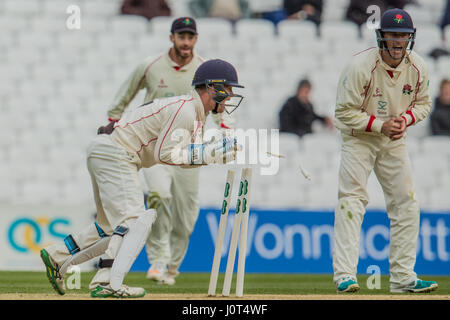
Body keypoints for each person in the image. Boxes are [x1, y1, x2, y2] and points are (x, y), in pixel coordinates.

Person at [39, 59, 245, 298]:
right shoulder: (186, 111)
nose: (230, 96)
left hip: (107, 151)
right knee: (136, 220)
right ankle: (105, 282)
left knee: (109, 228)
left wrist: (211, 155)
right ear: (213, 88)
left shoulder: (195, 115)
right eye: (228, 90)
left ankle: (58, 255)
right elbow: (165, 154)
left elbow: (181, 160)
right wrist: (208, 153)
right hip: (117, 153)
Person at [105, 17, 235, 286]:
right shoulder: (150, 66)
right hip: (157, 148)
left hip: (190, 149)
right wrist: (112, 119)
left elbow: (220, 107)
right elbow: (126, 93)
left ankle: (172, 268)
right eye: (181, 36)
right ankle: (158, 261)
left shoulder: (204, 68)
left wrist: (227, 132)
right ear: (172, 37)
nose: (185, 42)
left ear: (196, 39)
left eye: (190, 37)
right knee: (159, 195)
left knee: (187, 215)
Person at [332, 8, 438, 293]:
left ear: (410, 39)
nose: (397, 42)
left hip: (394, 138)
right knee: (352, 200)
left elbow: (424, 104)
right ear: (381, 37)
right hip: (359, 138)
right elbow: (342, 113)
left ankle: (403, 278)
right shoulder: (359, 67)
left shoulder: (417, 67)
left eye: (403, 36)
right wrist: (380, 126)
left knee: (407, 203)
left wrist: (404, 120)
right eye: (392, 35)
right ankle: (345, 275)